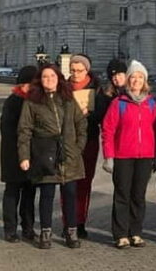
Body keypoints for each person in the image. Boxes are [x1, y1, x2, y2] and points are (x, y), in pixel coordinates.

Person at [17, 64, 87, 249]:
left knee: (70, 194)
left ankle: (71, 231)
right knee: (47, 195)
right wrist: (24, 156)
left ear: (58, 79)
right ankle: (45, 231)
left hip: (68, 154)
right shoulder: (32, 101)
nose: (49, 80)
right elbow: (24, 130)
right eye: (45, 77)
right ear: (40, 80)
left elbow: (81, 124)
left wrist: (78, 147)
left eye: (52, 76)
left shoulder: (68, 99)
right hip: (45, 154)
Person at [101, 60, 156, 249]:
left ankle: (135, 232)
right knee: (122, 195)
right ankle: (120, 234)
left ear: (144, 81)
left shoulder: (150, 103)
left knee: (138, 196)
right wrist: (109, 156)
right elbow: (108, 130)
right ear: (128, 80)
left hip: (144, 156)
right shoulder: (119, 103)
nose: (136, 81)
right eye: (133, 77)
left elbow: (155, 130)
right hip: (123, 156)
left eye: (139, 77)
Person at [0, 65, 38, 243]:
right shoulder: (13, 102)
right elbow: (7, 130)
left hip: (31, 154)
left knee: (29, 194)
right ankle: (10, 228)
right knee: (12, 192)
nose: (29, 88)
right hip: (12, 154)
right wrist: (21, 151)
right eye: (27, 85)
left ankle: (28, 228)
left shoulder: (35, 102)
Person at [65, 54, 100, 238]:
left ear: (87, 70)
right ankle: (67, 222)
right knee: (68, 184)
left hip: (89, 140)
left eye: (79, 71)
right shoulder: (63, 88)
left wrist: (89, 115)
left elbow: (102, 115)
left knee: (84, 184)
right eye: (72, 70)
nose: (75, 74)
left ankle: (80, 222)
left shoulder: (96, 89)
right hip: (68, 142)